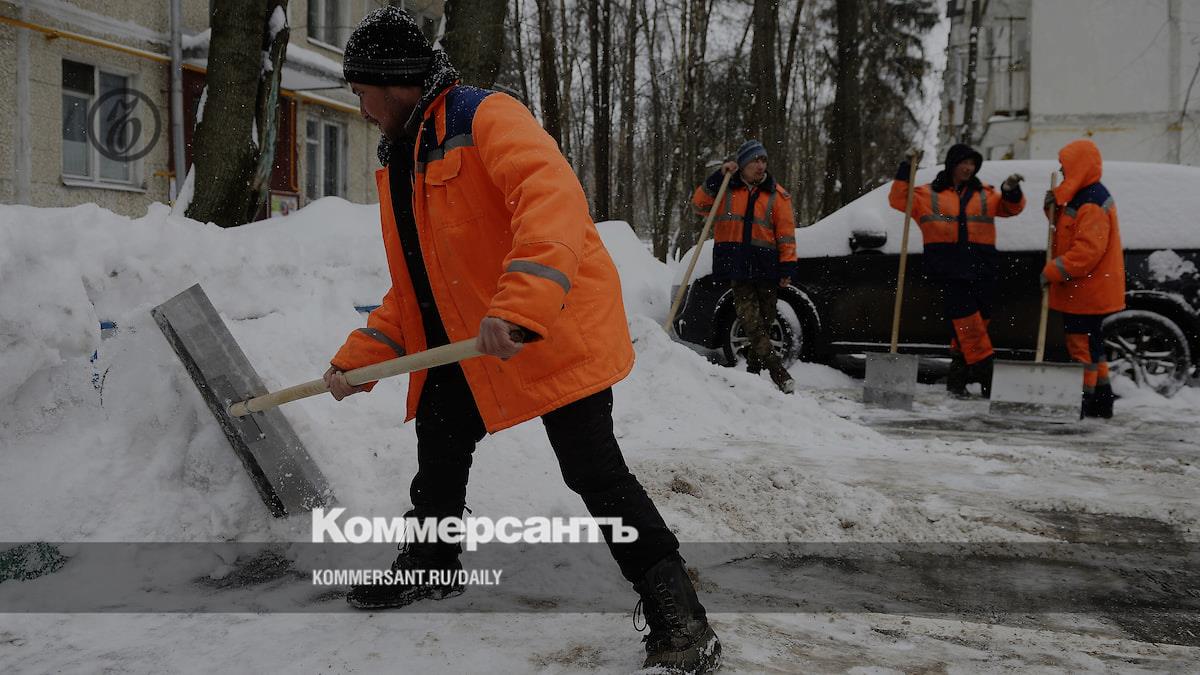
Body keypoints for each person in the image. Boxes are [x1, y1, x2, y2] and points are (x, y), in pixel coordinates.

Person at [324, 8, 720, 673]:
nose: (360, 109)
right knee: (440, 430)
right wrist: (357, 361)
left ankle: (679, 614)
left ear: (394, 82)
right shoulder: (401, 161)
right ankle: (432, 561)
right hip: (483, 335)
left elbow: (550, 204)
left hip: (555, 319)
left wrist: (520, 305)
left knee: (592, 469)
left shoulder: (486, 117)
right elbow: (419, 288)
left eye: (362, 92)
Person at [889, 144, 1026, 397]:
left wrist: (1011, 190)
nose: (968, 168)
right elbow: (898, 199)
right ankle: (988, 379)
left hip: (982, 268)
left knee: (975, 324)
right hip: (949, 270)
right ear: (952, 164)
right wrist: (907, 167)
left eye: (972, 164)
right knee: (969, 325)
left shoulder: (985, 194)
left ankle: (957, 380)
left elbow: (1011, 209)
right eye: (964, 162)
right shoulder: (927, 194)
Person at [691, 140, 798, 394]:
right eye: (754, 161)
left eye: (763, 161)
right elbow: (698, 205)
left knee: (764, 323)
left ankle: (753, 375)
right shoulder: (726, 188)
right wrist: (718, 177)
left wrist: (787, 267)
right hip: (737, 265)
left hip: (766, 267)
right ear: (742, 165)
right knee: (750, 322)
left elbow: (786, 235)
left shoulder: (777, 196)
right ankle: (779, 373)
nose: (760, 166)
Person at [1040, 139, 1125, 419]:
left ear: (1078, 166)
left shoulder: (1092, 201)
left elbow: (1086, 252)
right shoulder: (1081, 196)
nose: (1062, 171)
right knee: (1092, 348)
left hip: (1087, 292)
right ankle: (1101, 401)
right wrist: (1052, 207)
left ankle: (1084, 403)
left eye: (1065, 166)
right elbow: (1065, 229)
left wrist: (1053, 270)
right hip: (1084, 291)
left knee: (1082, 349)